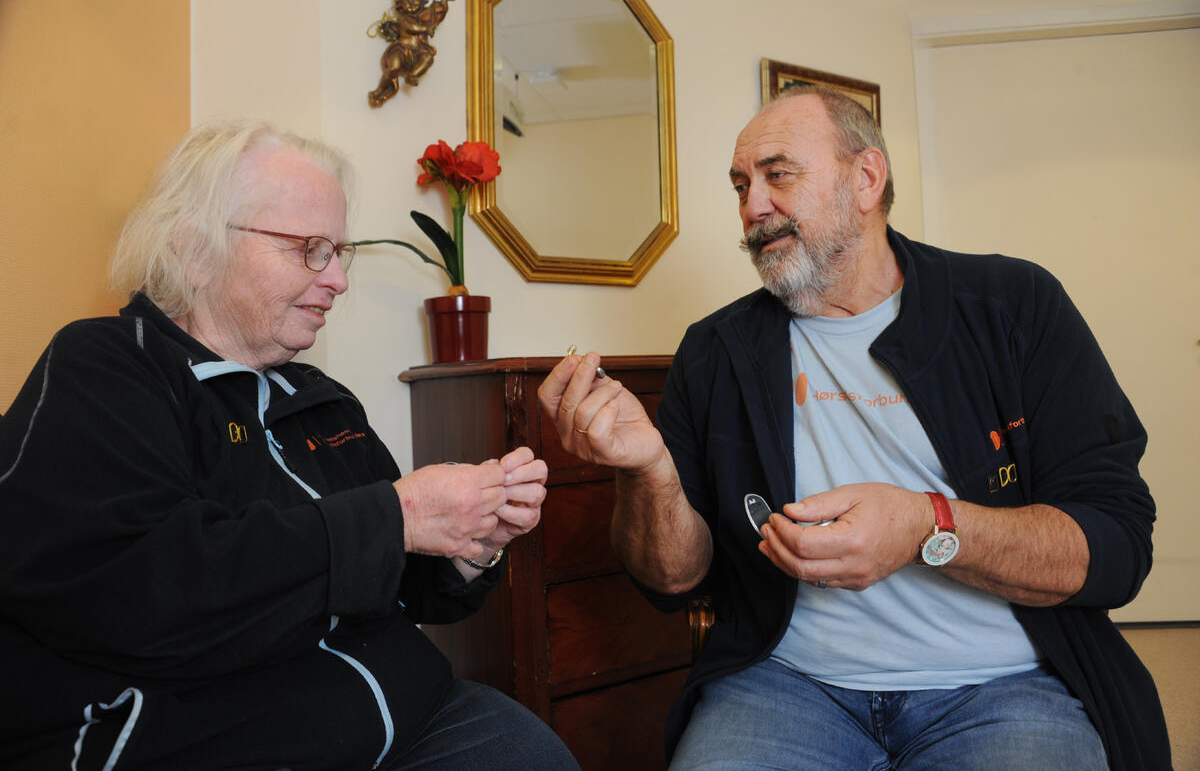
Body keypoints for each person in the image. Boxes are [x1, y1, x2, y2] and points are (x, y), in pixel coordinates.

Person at [538, 85, 1170, 770]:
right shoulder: (718, 349)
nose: (753, 207)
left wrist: (929, 526)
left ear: (866, 179)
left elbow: (1115, 546)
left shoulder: (1013, 307)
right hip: (787, 686)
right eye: (742, 184)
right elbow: (673, 579)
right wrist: (648, 471)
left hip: (1005, 686)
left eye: (779, 175)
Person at [0, 121, 579, 771]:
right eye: (309, 248)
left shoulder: (320, 397)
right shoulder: (106, 367)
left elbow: (418, 590)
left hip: (417, 714)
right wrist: (402, 515)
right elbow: (140, 591)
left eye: (338, 251)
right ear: (194, 249)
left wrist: (475, 544)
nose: (338, 280)